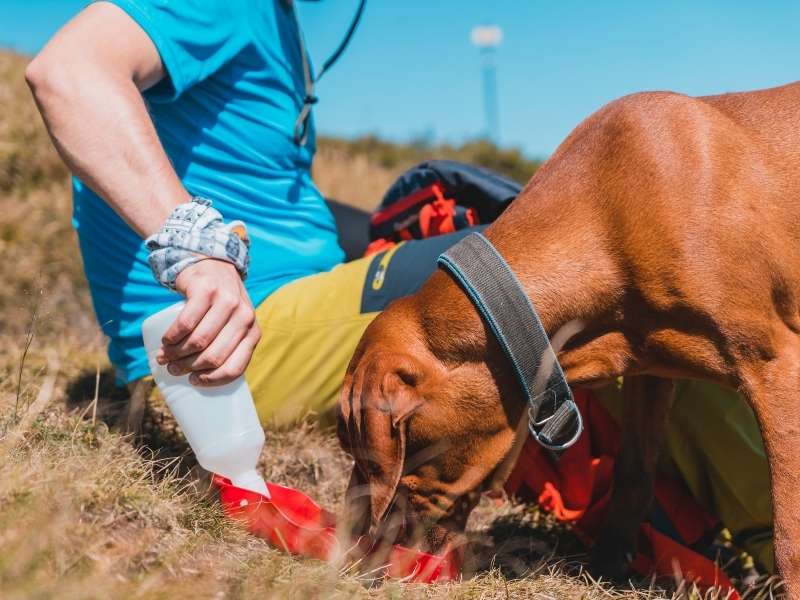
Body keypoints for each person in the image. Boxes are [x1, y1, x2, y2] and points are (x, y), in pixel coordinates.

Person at [26, 0, 774, 575]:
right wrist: (195, 251)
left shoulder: (279, 26)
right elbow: (70, 73)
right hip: (236, 337)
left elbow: (275, 201)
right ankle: (767, 528)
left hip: (298, 299)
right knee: (609, 282)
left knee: (536, 251)